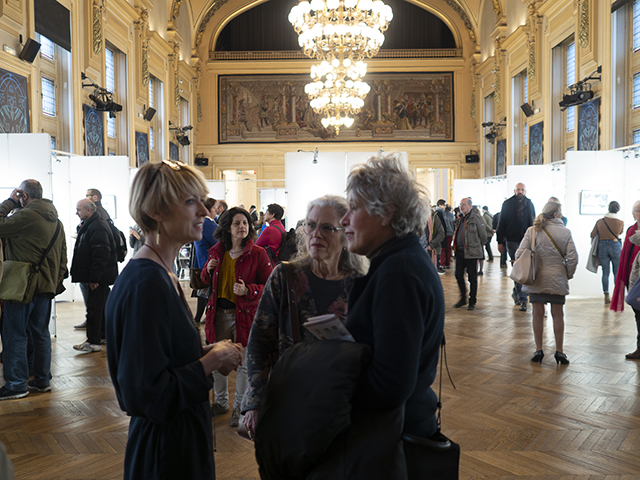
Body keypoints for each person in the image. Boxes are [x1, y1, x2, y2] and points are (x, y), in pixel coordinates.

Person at [105, 160, 243, 479]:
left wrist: (207, 352)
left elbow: (162, 358)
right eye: (190, 202)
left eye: (202, 202)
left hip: (179, 441)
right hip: (165, 453)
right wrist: (209, 362)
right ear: (156, 211)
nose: (204, 213)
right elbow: (146, 393)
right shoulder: (146, 284)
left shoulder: (161, 274)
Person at [341, 154, 444, 451]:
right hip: (394, 428)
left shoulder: (399, 271)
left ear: (386, 213)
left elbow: (390, 385)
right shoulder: (401, 261)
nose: (344, 220)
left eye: (353, 208)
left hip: (390, 437)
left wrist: (328, 382)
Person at [241, 195, 367, 438]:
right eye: (311, 225)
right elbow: (259, 341)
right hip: (291, 400)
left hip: (344, 403)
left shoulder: (360, 284)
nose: (316, 234)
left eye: (327, 228)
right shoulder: (285, 275)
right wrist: (254, 402)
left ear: (346, 235)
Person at [201, 207, 273, 427]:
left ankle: (239, 407)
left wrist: (248, 290)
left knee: (242, 363)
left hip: (244, 314)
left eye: (245, 223)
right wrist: (208, 270)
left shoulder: (258, 253)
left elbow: (269, 286)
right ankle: (221, 402)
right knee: (217, 358)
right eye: (237, 223)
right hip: (218, 314)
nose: (242, 227)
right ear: (227, 228)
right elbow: (204, 280)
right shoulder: (217, 251)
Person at [0, 179, 68, 400]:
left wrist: (10, 202)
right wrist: (55, 280)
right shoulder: (56, 220)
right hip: (46, 286)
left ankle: (17, 384)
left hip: (22, 285)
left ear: (24, 196)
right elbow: (64, 256)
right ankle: (42, 380)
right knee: (40, 334)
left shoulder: (26, 215)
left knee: (15, 335)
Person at [516, 202, 578, 365]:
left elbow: (519, 253)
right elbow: (572, 258)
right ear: (557, 214)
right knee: (558, 314)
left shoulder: (532, 231)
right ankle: (559, 351)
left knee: (537, 314)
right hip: (557, 277)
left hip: (536, 277)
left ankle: (539, 350)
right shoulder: (565, 232)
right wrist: (567, 275)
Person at [71, 199, 118, 353]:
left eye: (79, 209)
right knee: (101, 308)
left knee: (94, 309)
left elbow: (101, 254)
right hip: (100, 276)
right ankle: (102, 336)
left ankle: (93, 341)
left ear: (89, 210)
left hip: (99, 277)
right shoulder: (92, 224)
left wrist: (94, 278)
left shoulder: (97, 226)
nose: (76, 212)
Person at [496, 182, 536, 311]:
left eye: (522, 190)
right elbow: (501, 223)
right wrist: (500, 241)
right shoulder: (507, 204)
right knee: (518, 267)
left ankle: (516, 292)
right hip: (512, 240)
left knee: (524, 268)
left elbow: (533, 222)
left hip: (526, 240)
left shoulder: (529, 204)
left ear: (525, 191)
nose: (520, 192)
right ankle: (523, 298)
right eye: (518, 189)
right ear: (514, 190)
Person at [611, 201, 640, 359]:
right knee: (638, 315)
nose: (639, 212)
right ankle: (639, 347)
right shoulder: (631, 230)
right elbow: (626, 256)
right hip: (634, 279)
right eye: (637, 210)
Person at [453, 198, 487, 310]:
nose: (461, 206)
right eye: (460, 204)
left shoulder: (476, 218)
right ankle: (463, 298)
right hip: (460, 252)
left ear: (470, 206)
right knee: (458, 275)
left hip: (471, 253)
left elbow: (483, 237)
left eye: (463, 204)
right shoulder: (459, 218)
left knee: (472, 277)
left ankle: (472, 301)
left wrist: (475, 246)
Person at [591, 201, 624, 305]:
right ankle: (617, 296)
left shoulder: (600, 221)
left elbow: (592, 234)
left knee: (605, 272)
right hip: (615, 246)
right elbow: (620, 233)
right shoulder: (620, 222)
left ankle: (606, 295)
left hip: (602, 246)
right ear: (618, 209)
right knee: (616, 272)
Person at [192, 197, 218, 324]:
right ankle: (208, 320)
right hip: (208, 263)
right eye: (214, 208)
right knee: (208, 294)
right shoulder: (208, 224)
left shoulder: (202, 222)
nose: (216, 210)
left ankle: (198, 319)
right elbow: (218, 241)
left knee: (202, 294)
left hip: (202, 261)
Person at [479, 206, 494, 275]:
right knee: (488, 246)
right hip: (490, 234)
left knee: (487, 246)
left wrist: (490, 230)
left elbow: (485, 225)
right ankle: (491, 257)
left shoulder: (484, 216)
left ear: (483, 210)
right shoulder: (491, 215)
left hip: (487, 233)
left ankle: (490, 257)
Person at [441, 204, 455, 268]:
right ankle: (448, 263)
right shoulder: (452, 216)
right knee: (448, 248)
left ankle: (442, 263)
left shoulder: (442, 215)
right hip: (450, 233)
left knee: (443, 248)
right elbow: (453, 224)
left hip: (443, 233)